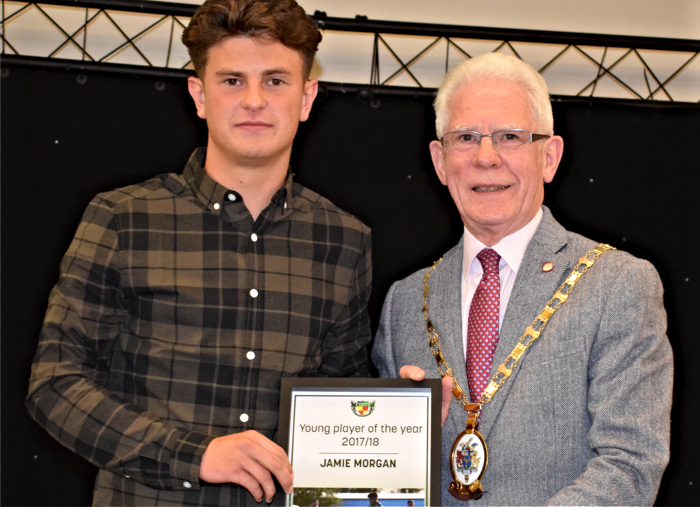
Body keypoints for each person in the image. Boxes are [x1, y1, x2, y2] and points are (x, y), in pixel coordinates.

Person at [25, 1, 372, 505]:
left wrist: (405, 410)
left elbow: (342, 399)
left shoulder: (345, 240)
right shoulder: (122, 218)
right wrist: (195, 455)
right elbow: (55, 385)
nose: (254, 100)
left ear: (306, 97)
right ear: (199, 94)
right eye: (232, 80)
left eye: (275, 81)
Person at [371, 53, 672, 505]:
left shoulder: (618, 283)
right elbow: (383, 481)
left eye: (510, 137)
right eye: (466, 137)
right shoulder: (406, 301)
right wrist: (402, 439)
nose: (486, 157)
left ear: (549, 157)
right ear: (439, 160)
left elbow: (630, 464)